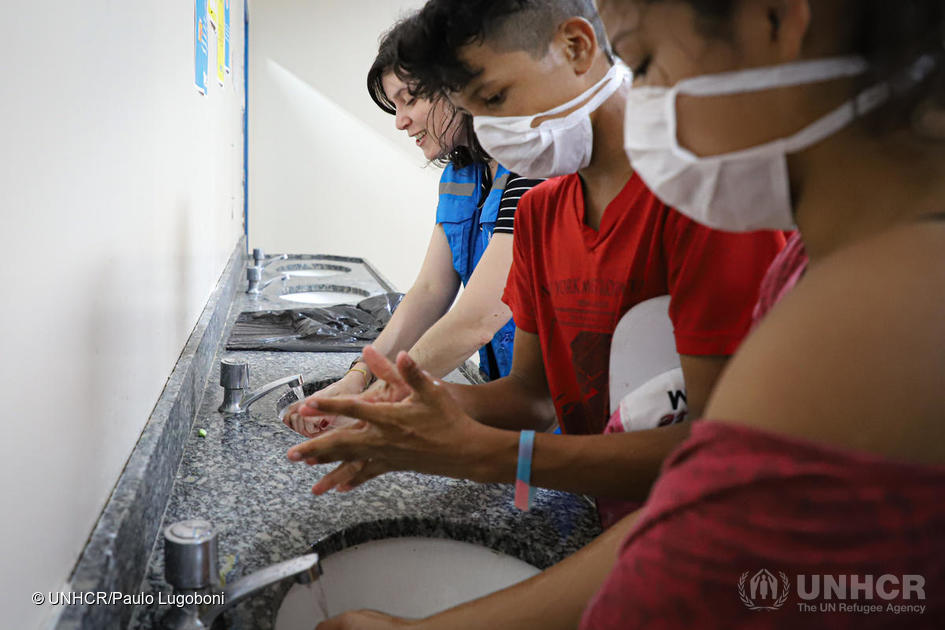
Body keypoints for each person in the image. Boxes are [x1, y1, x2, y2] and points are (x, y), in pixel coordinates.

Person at [312, 0, 945, 628]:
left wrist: (487, 455)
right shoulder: (810, 267)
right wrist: (440, 423)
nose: (641, 102)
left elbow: (697, 543)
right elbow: (683, 512)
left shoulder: (884, 294)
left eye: (641, 62)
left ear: (777, 21)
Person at [287, 0, 785, 508]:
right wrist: (412, 406)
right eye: (474, 110)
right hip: (602, 505)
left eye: (496, 97)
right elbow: (530, 395)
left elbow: (724, 442)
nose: (488, 131)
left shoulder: (705, 200)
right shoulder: (539, 213)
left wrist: (493, 455)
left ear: (577, 48)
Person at [283, 17, 542, 437]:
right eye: (394, 104)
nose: (400, 120)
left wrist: (374, 401)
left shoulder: (536, 170)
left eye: (411, 99)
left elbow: (479, 317)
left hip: (562, 421)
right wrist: (361, 375)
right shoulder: (461, 175)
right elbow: (429, 292)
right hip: (506, 405)